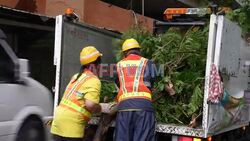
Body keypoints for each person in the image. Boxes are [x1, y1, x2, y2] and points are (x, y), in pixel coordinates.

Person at [51, 46, 103, 141]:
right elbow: (90, 104)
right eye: (99, 63)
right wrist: (100, 108)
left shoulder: (76, 76)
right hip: (72, 126)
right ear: (95, 65)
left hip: (58, 122)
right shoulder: (94, 80)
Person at [114, 38, 157, 141]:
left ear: (125, 53)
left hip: (124, 108)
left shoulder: (119, 65)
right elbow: (153, 81)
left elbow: (118, 83)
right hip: (144, 108)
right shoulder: (148, 63)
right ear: (139, 50)